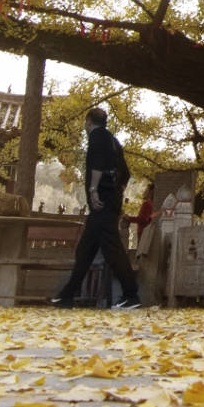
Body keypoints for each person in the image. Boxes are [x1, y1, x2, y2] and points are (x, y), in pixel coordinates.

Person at [52, 107, 140, 309]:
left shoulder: (97, 137)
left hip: (102, 202)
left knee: (113, 248)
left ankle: (131, 294)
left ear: (88, 122)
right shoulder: (114, 141)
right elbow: (125, 173)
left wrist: (94, 190)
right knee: (85, 249)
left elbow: (98, 165)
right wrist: (116, 191)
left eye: (85, 124)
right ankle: (67, 294)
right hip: (110, 200)